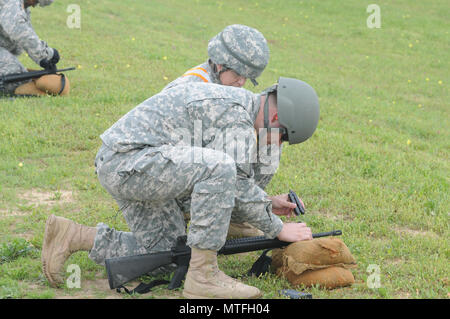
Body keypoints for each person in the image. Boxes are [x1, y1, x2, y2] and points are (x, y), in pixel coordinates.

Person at [41, 77, 320, 298]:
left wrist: (266, 203)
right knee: (220, 166)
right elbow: (231, 178)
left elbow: (219, 189)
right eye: (282, 138)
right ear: (275, 121)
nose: (277, 145)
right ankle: (203, 278)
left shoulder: (241, 110)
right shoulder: (236, 117)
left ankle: (76, 236)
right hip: (128, 164)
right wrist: (277, 228)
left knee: (169, 256)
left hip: (141, 167)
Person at [164, 24, 269, 90]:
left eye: (246, 77)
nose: (242, 82)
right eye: (237, 74)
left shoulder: (224, 86)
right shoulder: (192, 89)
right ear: (220, 65)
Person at [0, 0, 70, 96]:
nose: (33, 5)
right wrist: (45, 56)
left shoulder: (21, 6)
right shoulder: (12, 3)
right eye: (36, 1)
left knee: (19, 74)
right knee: (13, 76)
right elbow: (21, 32)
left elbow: (27, 34)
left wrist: (47, 52)